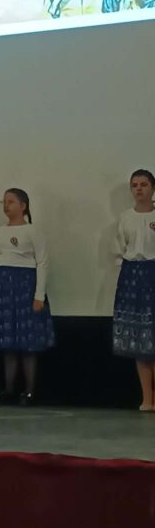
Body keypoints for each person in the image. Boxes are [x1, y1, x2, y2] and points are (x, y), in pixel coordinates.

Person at [0, 188, 53, 404]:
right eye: (4, 201)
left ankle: (29, 390)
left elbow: (42, 262)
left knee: (28, 341)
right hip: (2, 286)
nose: (6, 205)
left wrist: (39, 295)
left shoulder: (33, 231)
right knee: (8, 342)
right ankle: (9, 389)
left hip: (26, 285)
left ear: (23, 206)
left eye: (10, 201)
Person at [112, 169, 155, 410]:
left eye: (144, 184)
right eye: (135, 185)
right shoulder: (125, 217)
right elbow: (120, 248)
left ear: (153, 188)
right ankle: (147, 398)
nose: (139, 189)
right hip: (132, 276)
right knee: (140, 340)